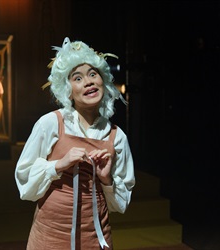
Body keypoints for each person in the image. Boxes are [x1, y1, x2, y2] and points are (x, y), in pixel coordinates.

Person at [15, 37, 135, 249]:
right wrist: (58, 165)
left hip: (95, 237)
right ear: (67, 90)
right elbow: (25, 182)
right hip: (50, 235)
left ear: (103, 81)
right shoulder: (50, 123)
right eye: (77, 78)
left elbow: (120, 204)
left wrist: (106, 179)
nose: (88, 81)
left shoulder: (117, 137)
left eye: (92, 74)